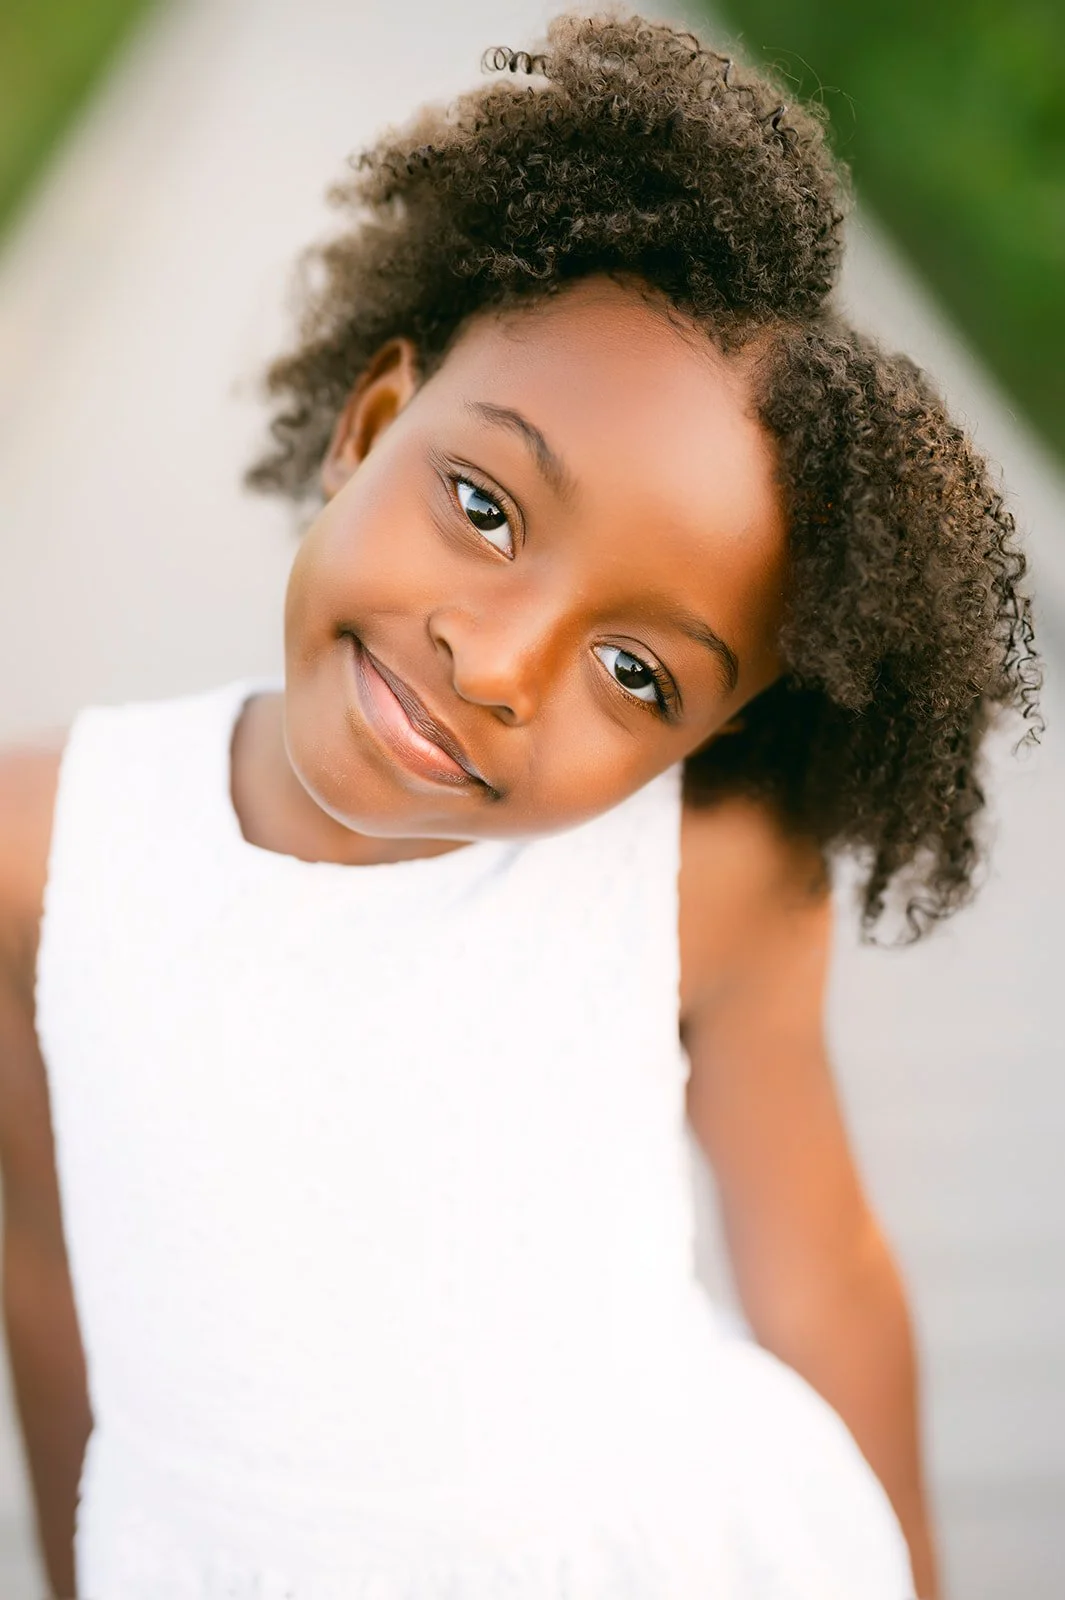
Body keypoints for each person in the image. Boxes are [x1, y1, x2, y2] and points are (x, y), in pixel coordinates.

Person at [0, 11, 1040, 1599]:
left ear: (714, 731)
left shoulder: (712, 881)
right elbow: (48, 1265)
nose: (496, 664)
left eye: (637, 674)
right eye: (483, 506)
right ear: (369, 426)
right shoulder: (43, 858)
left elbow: (822, 1268)